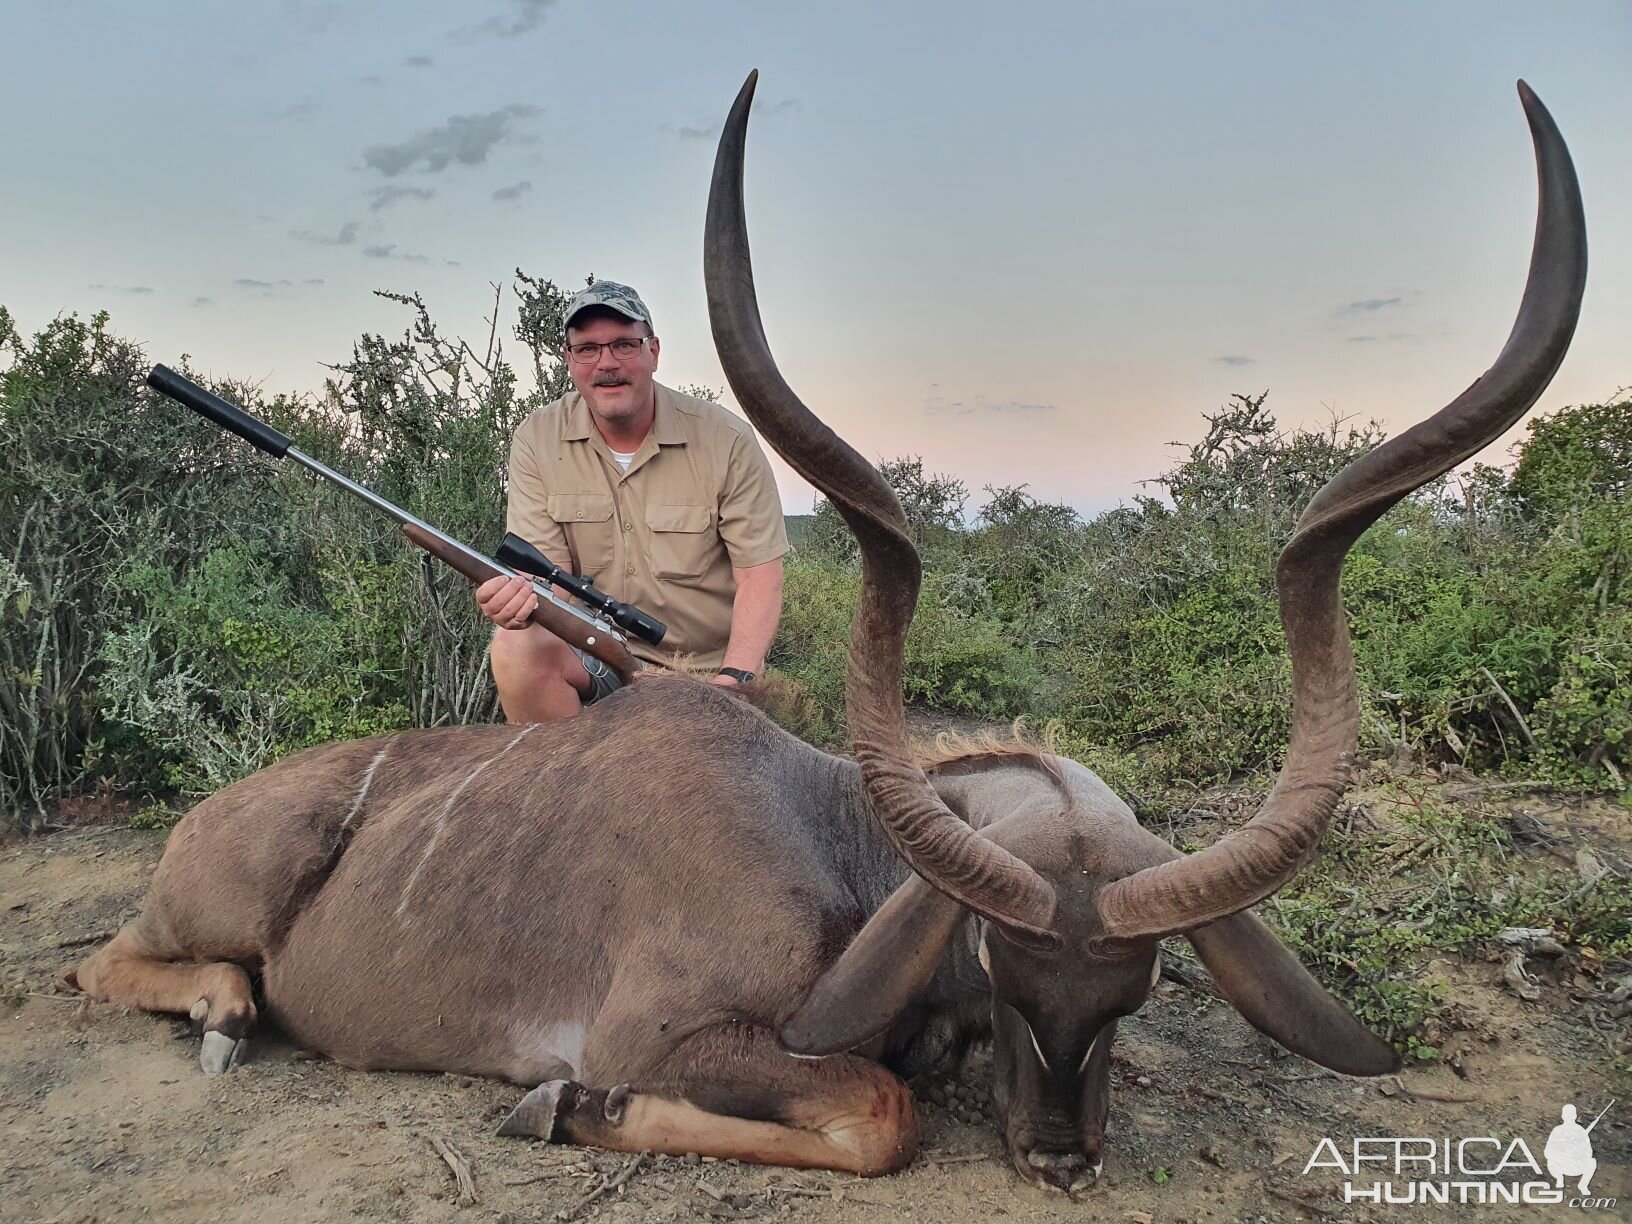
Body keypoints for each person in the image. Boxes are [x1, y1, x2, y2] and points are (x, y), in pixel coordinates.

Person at [476, 281, 788, 722]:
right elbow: (545, 578)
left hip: (705, 674)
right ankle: (566, 787)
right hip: (598, 657)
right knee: (515, 646)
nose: (606, 363)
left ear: (653, 351)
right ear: (569, 359)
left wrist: (732, 685)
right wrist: (516, 602)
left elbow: (760, 575)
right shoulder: (537, 437)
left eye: (624, 344)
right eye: (587, 349)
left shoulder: (726, 439)